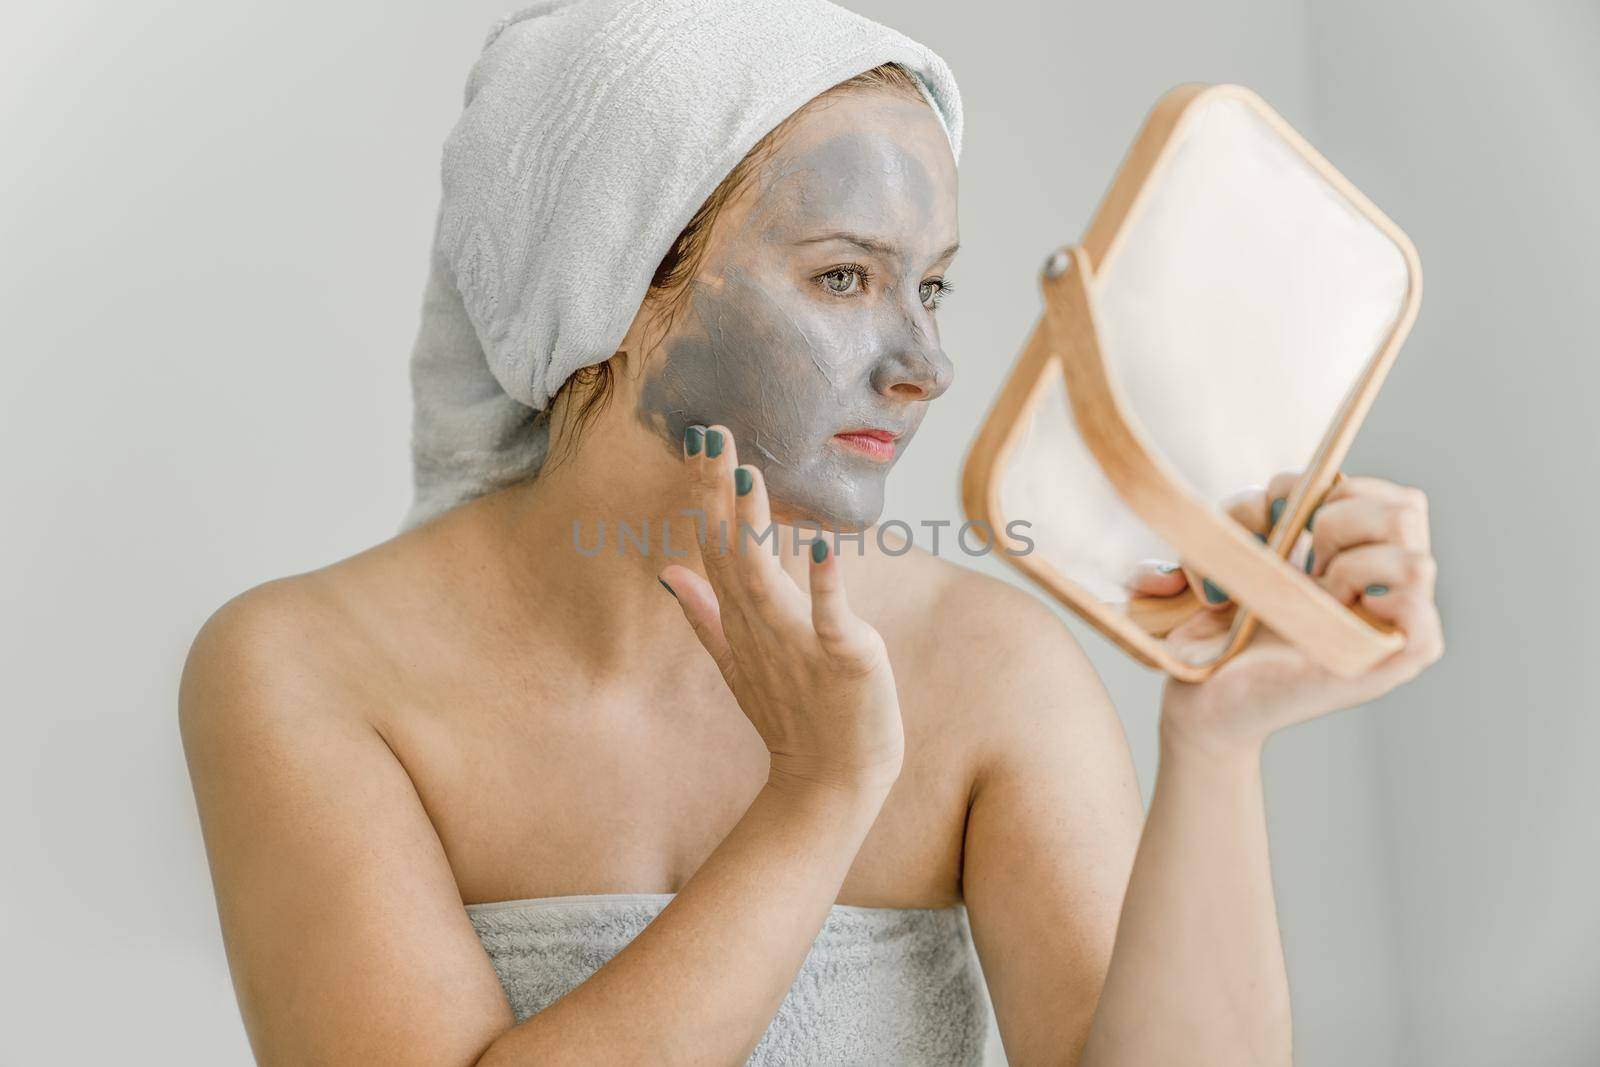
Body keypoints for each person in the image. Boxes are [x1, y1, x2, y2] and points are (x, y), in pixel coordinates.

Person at [178, 4, 1444, 1064]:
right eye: (844, 276)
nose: (928, 363)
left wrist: (1213, 741)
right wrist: (817, 794)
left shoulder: (984, 667)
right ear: (617, 286)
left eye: (930, 283)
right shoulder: (305, 670)